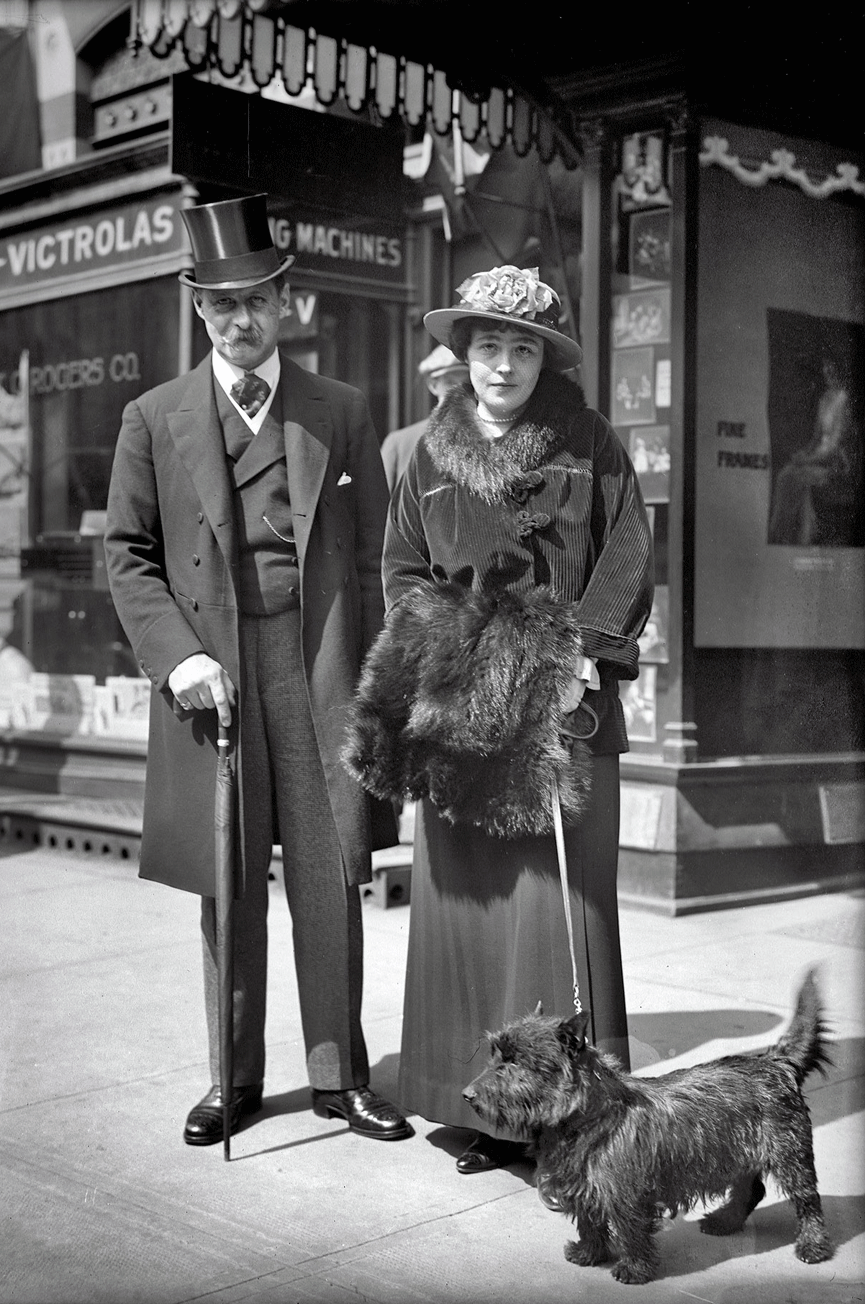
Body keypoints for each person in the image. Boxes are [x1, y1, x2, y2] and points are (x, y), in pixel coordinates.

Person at [104, 194, 412, 1147]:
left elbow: (374, 562)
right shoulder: (154, 418)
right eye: (218, 306)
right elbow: (127, 553)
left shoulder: (341, 411)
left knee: (331, 876)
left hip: (318, 665)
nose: (239, 322)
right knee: (227, 882)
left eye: (256, 302)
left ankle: (338, 1077)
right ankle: (231, 1082)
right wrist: (177, 657)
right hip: (213, 676)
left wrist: (377, 677)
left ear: (288, 302)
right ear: (198, 312)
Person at [344, 265, 653, 1180]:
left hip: (565, 702)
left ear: (542, 359)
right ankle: (473, 1106)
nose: (503, 366)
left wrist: (581, 657)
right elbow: (400, 571)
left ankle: (568, 1115)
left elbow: (629, 547)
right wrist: (448, 652)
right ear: (463, 355)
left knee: (558, 907)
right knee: (467, 908)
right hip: (459, 707)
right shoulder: (428, 453)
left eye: (522, 349)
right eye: (487, 348)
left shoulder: (588, 440)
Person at [768, 351, 859, 546]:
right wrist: (804, 453)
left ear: (839, 369)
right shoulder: (824, 398)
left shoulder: (844, 399)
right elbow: (816, 437)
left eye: (832, 367)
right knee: (784, 475)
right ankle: (784, 538)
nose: (828, 371)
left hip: (835, 463)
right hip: (818, 458)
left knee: (794, 477)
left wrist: (807, 460)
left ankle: (799, 538)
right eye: (825, 367)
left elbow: (834, 446)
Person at [379, 345, 469, 493]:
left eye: (467, 383)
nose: (459, 390)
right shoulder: (400, 442)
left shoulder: (488, 436)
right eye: (450, 383)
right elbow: (381, 506)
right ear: (433, 385)